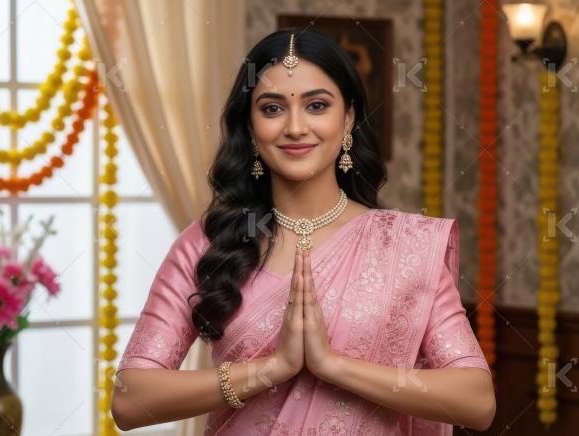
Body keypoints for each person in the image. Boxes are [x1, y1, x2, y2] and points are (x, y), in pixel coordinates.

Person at [111, 28, 495, 435]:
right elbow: (131, 399)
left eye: (316, 105)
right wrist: (272, 368)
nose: (295, 127)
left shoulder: (408, 246)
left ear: (347, 118)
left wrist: (333, 366)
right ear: (250, 126)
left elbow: (476, 400)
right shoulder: (209, 242)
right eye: (272, 108)